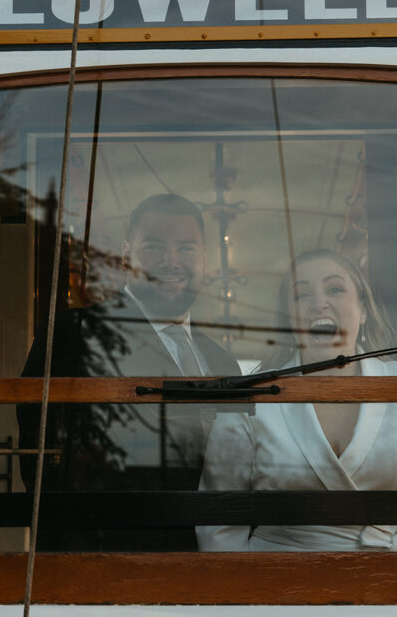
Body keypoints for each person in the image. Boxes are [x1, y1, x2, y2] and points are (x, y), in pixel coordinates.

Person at [18, 193, 240, 550]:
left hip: (206, 562)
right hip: (107, 562)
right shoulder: (73, 335)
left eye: (186, 248)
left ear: (204, 259)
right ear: (126, 254)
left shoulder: (222, 361)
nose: (171, 261)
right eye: (153, 247)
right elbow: (44, 464)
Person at [196, 249, 397, 552]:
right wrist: (246, 594)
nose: (318, 303)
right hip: (277, 585)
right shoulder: (253, 398)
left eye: (334, 289)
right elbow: (219, 517)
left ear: (363, 309)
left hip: (393, 583)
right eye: (301, 295)